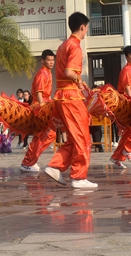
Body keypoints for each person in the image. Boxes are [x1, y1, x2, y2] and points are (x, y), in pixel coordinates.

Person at [44, 12, 98, 189]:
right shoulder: (75, 46)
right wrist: (78, 80)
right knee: (83, 137)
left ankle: (55, 166)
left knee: (74, 137)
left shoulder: (63, 46)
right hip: (71, 97)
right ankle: (79, 177)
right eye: (87, 28)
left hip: (61, 96)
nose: (86, 31)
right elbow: (69, 72)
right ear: (82, 27)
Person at [20, 49, 56, 172]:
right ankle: (27, 162)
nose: (51, 62)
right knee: (40, 136)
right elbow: (39, 94)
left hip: (45, 105)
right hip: (40, 107)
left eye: (52, 60)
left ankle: (32, 160)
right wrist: (42, 109)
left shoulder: (48, 73)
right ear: (42, 61)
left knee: (49, 135)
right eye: (48, 60)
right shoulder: (42, 74)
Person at [110, 45, 131, 168]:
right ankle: (129, 150)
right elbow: (127, 88)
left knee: (130, 131)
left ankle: (116, 158)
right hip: (127, 103)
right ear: (127, 57)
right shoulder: (126, 70)